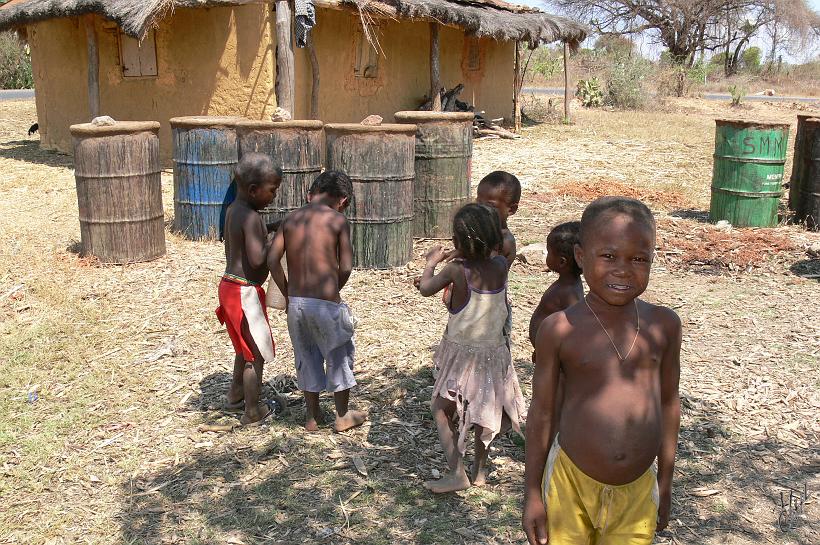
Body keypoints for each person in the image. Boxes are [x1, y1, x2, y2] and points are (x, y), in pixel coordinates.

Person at [523, 197, 682, 545]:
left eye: (639, 259)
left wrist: (665, 483)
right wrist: (532, 492)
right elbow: (542, 414)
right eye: (608, 256)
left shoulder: (664, 325)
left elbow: (670, 404)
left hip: (638, 492)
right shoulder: (560, 329)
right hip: (570, 485)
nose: (623, 269)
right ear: (581, 257)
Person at [417, 203, 525, 493]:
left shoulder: (455, 271)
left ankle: (457, 473)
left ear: (457, 241)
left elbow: (426, 288)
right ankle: (480, 470)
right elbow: (488, 255)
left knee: (441, 409)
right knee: (483, 414)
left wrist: (431, 262)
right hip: (494, 354)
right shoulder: (501, 265)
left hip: (462, 355)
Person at [268, 170, 367, 433]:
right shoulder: (337, 221)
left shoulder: (290, 219)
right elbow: (346, 266)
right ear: (343, 201)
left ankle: (312, 416)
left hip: (297, 304)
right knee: (338, 354)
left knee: (306, 355)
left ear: (311, 194)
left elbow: (272, 259)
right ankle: (342, 415)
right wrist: (335, 290)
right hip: (325, 303)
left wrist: (287, 292)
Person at [215, 153, 282, 426]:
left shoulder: (234, 210)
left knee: (242, 348)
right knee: (255, 354)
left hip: (229, 286)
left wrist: (272, 227)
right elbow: (257, 259)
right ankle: (253, 411)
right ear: (254, 190)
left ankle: (235, 395)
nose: (274, 196)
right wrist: (279, 240)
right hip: (246, 291)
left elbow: (249, 237)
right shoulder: (252, 217)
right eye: (272, 190)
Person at [528, 221, 584, 360]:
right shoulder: (565, 284)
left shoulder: (568, 292)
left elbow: (575, 326)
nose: (546, 255)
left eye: (548, 252)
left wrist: (555, 356)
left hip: (554, 356)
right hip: (547, 351)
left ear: (561, 262)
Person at [476, 170, 521, 267]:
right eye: (478, 203)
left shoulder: (504, 241)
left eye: (489, 206)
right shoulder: (480, 231)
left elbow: (483, 274)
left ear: (511, 209)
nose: (481, 209)